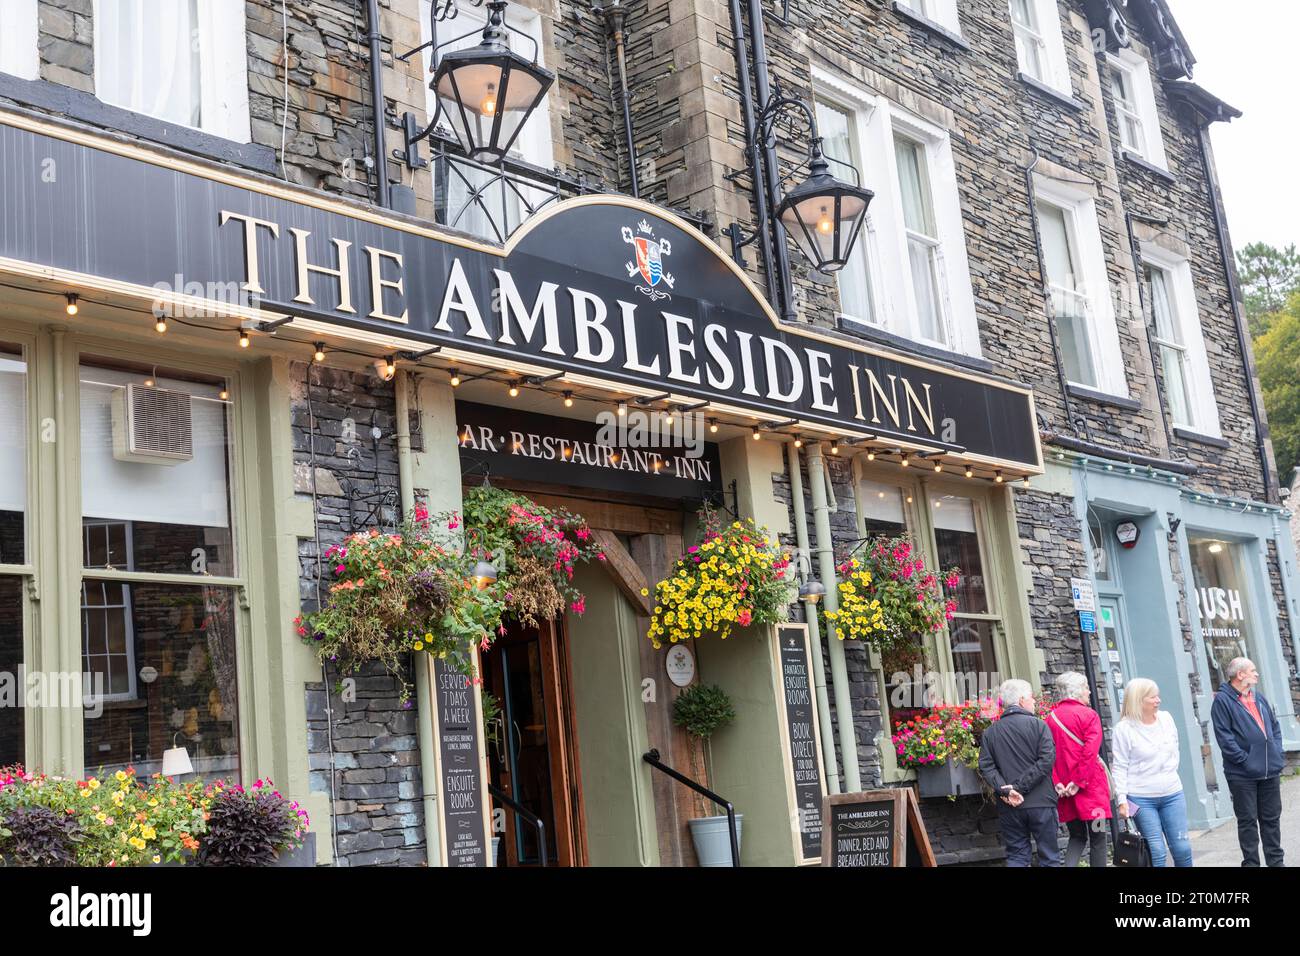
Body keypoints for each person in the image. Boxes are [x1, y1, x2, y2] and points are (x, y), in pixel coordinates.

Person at [1211, 657, 1285, 867]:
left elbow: (1275, 727)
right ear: (1240, 675)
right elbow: (1224, 738)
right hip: (1242, 774)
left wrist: (1277, 753)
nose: (1257, 674)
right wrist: (1246, 760)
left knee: (1271, 820)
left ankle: (1276, 863)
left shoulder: (1258, 697)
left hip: (1270, 770)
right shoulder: (1222, 701)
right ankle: (1251, 864)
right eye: (1252, 670)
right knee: (1248, 822)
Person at [978, 678, 1059, 867]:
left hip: (1009, 806)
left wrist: (1007, 790)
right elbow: (1046, 760)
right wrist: (1019, 787)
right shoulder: (1039, 726)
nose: (1034, 702)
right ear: (1022, 700)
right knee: (1049, 858)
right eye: (1031, 697)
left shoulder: (991, 732)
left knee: (1017, 857)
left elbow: (986, 767)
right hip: (1041, 803)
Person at [1112, 678, 1192, 867]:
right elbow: (1120, 767)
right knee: (1156, 850)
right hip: (1141, 798)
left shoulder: (1166, 719)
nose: (1158, 700)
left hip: (1173, 793)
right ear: (1139, 700)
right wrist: (1122, 800)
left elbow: (1175, 749)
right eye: (1153, 697)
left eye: (1158, 696)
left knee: (1182, 848)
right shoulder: (1124, 729)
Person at [1047, 671, 1112, 867]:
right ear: (1076, 691)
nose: (1089, 691)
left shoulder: (1050, 718)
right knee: (1099, 838)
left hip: (1065, 793)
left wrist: (1058, 782)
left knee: (1076, 837)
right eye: (1085, 687)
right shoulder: (1089, 715)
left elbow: (1047, 756)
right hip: (1092, 792)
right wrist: (1078, 782)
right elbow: (1090, 753)